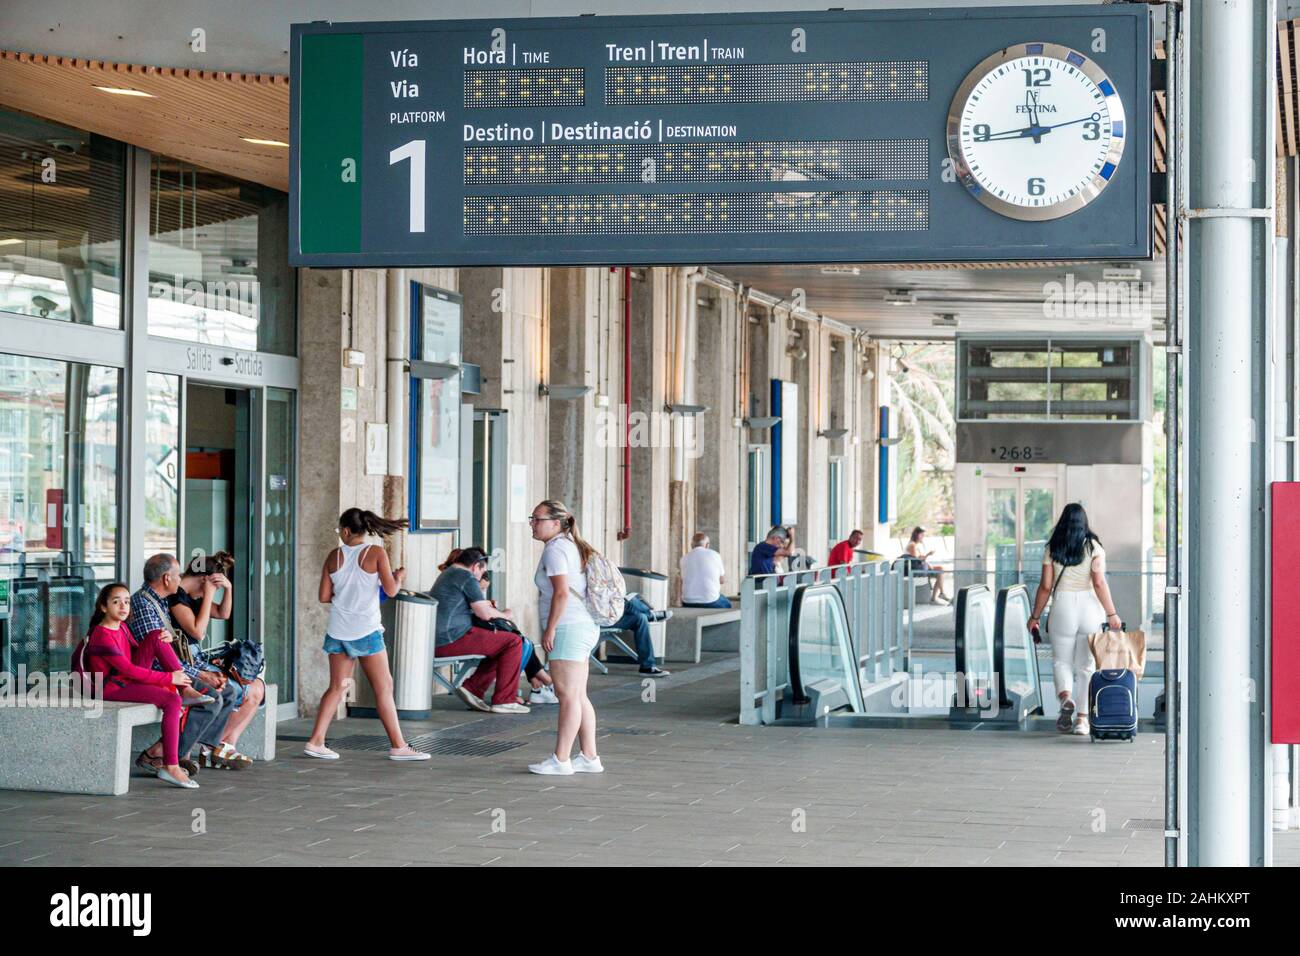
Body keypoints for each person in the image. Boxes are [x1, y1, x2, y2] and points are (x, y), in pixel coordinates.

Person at [305, 508, 430, 762]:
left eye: (339, 530)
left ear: (346, 531)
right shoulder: (376, 553)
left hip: (338, 630)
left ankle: (316, 741)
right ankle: (398, 746)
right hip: (366, 630)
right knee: (384, 687)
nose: (339, 534)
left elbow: (323, 596)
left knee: (337, 687)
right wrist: (398, 576)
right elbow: (392, 591)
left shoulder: (334, 556)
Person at [81, 582, 197, 789]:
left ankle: (186, 688)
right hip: (111, 688)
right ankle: (171, 766)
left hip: (124, 680)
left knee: (156, 636)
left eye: (126, 601)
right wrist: (169, 679)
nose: (124, 606)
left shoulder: (122, 627)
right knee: (171, 700)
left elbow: (139, 652)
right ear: (104, 607)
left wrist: (166, 639)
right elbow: (129, 670)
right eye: (116, 602)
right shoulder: (101, 636)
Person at [1027, 503, 1123, 737]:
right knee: (1086, 667)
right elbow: (1099, 583)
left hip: (1063, 608)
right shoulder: (1094, 547)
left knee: (1061, 662)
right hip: (1090, 608)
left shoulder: (1053, 547)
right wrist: (1112, 613)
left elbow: (1045, 587)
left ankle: (1065, 698)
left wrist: (1035, 616)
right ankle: (1082, 720)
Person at [527, 499, 603, 776]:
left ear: (555, 523)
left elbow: (561, 592)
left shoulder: (556, 549)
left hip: (569, 627)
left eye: (537, 519)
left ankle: (561, 759)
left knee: (567, 695)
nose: (533, 524)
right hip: (582, 625)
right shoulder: (569, 545)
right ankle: (589, 756)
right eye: (532, 519)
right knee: (578, 694)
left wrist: (550, 629)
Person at [166, 551, 260, 771]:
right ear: (203, 579)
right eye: (211, 587)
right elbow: (198, 633)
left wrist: (228, 589)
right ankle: (191, 751)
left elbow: (224, 613)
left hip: (193, 659)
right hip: (182, 662)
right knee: (225, 691)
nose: (209, 594)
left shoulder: (193, 598)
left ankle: (208, 746)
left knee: (232, 689)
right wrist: (208, 594)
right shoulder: (177, 598)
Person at [131, 553, 220, 778]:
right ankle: (166, 755)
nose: (181, 579)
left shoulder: (157, 601)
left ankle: (169, 753)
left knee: (219, 693)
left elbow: (167, 651)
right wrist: (195, 674)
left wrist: (196, 672)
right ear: (167, 579)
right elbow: (156, 657)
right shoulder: (144, 604)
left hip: (168, 670)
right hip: (151, 674)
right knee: (211, 697)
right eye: (178, 575)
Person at [430, 546, 529, 714]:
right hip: (450, 639)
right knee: (513, 642)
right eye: (482, 571)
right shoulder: (466, 577)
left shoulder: (450, 573)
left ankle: (474, 689)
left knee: (500, 643)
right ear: (476, 566)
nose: (480, 577)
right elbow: (483, 613)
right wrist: (505, 615)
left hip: (440, 638)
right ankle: (504, 700)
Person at [611, 592, 672, 677]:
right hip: (599, 618)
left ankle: (647, 667)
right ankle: (650, 615)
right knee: (626, 602)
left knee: (641, 618)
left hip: (612, 615)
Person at [680, 532, 731, 608]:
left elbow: (682, 580)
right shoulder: (715, 555)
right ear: (707, 545)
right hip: (710, 601)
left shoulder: (684, 558)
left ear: (691, 545)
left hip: (687, 602)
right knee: (727, 604)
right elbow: (722, 580)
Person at [905, 527, 950, 605]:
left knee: (940, 570)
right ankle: (938, 595)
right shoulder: (912, 545)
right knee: (940, 570)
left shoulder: (915, 545)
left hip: (919, 568)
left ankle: (938, 595)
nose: (923, 537)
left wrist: (929, 565)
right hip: (915, 570)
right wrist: (928, 554)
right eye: (921, 535)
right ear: (916, 535)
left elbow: (921, 560)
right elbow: (916, 560)